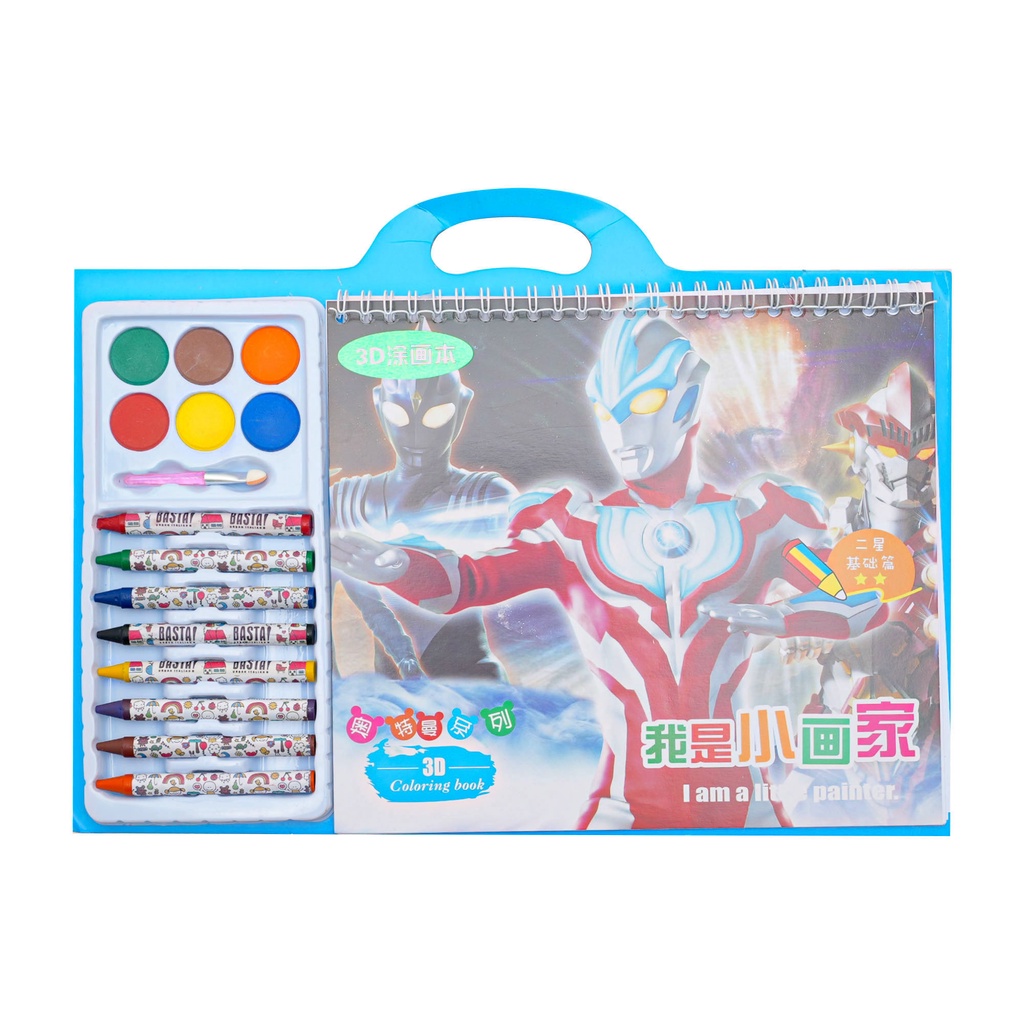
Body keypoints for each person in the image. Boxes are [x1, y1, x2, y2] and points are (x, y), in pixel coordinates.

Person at [336, 315, 885, 829]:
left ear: (689, 398)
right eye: (607, 411)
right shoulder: (571, 529)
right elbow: (469, 583)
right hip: (622, 806)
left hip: (741, 802)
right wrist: (401, 567)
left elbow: (855, 600)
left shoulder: (763, 521)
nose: (624, 429)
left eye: (644, 402)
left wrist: (783, 618)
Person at [331, 323, 517, 682]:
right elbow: (323, 606)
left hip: (474, 682)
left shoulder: (487, 496)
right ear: (379, 405)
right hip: (398, 689)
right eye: (399, 415)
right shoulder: (344, 501)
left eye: (436, 415)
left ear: (462, 405)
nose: (416, 433)